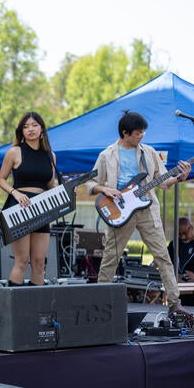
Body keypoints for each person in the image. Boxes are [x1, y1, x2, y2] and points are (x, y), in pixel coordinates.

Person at [86, 110, 192, 317]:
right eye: (137, 133)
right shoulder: (107, 154)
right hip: (119, 210)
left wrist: (179, 178)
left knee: (163, 255)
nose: (142, 136)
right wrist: (105, 189)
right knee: (110, 257)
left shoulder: (149, 152)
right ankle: (97, 302)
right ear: (125, 133)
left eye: (143, 132)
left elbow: (163, 181)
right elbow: (90, 182)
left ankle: (174, 304)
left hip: (148, 210)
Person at [0, 112, 58, 286]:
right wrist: (15, 192)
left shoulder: (50, 156)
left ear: (42, 129)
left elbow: (50, 186)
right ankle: (14, 309)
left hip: (42, 209)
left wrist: (67, 192)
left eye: (34, 125)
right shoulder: (14, 152)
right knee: (22, 261)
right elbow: (0, 179)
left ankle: (35, 309)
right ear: (21, 131)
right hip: (20, 206)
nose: (30, 129)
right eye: (26, 126)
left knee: (39, 263)